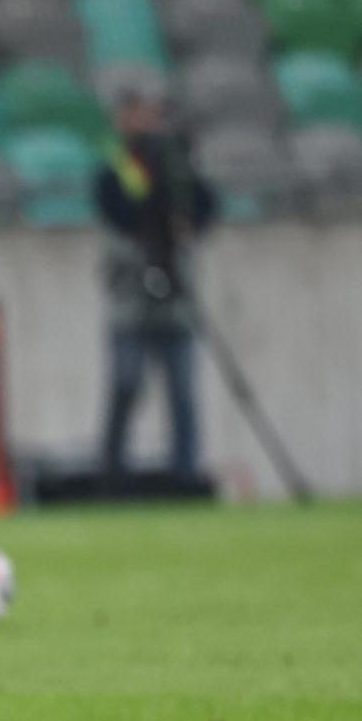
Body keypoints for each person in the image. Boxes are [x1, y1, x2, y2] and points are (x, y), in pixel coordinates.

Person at [95, 89, 217, 484]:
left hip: (174, 296)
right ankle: (112, 469)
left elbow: (204, 204)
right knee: (126, 383)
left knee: (182, 389)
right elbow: (126, 213)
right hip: (132, 295)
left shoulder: (177, 167)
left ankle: (185, 470)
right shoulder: (118, 169)